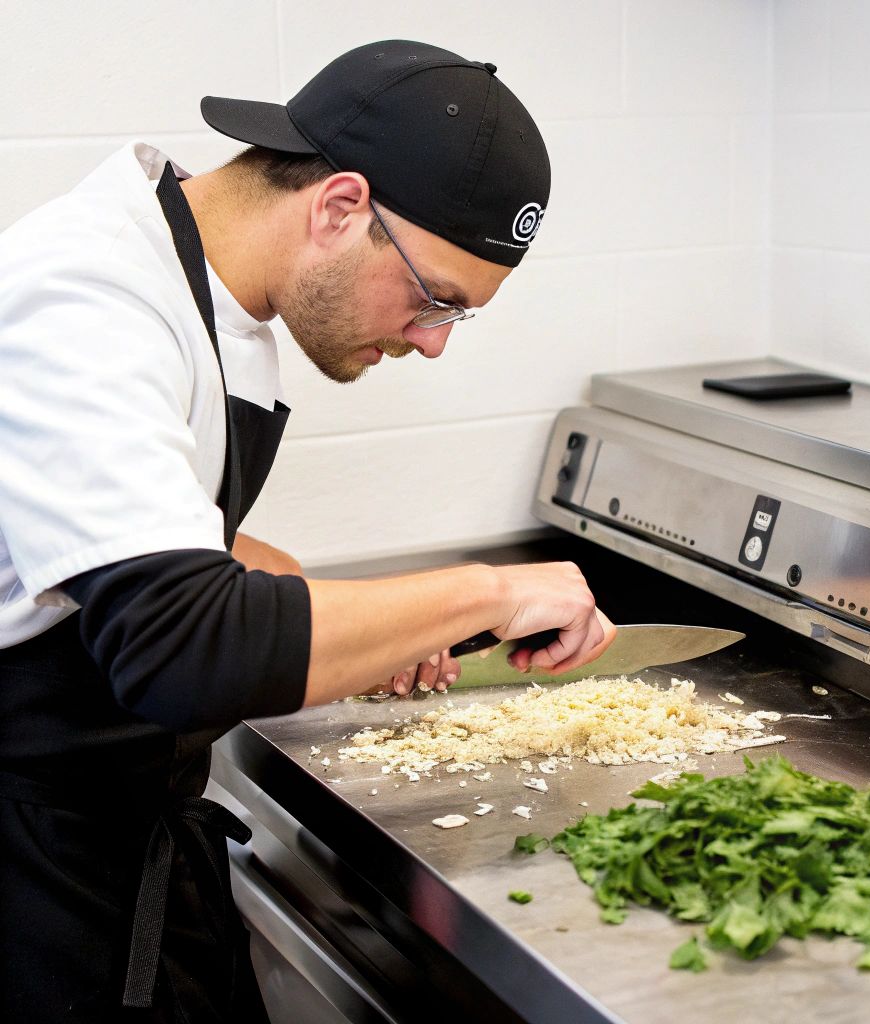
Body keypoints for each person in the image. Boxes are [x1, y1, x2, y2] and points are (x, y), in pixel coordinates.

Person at [0, 40, 614, 1022]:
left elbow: (63, 522)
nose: (432, 340)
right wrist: (486, 591)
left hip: (119, 848)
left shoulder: (201, 284)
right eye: (434, 297)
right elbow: (177, 649)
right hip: (38, 880)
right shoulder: (91, 297)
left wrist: (254, 569)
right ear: (338, 206)